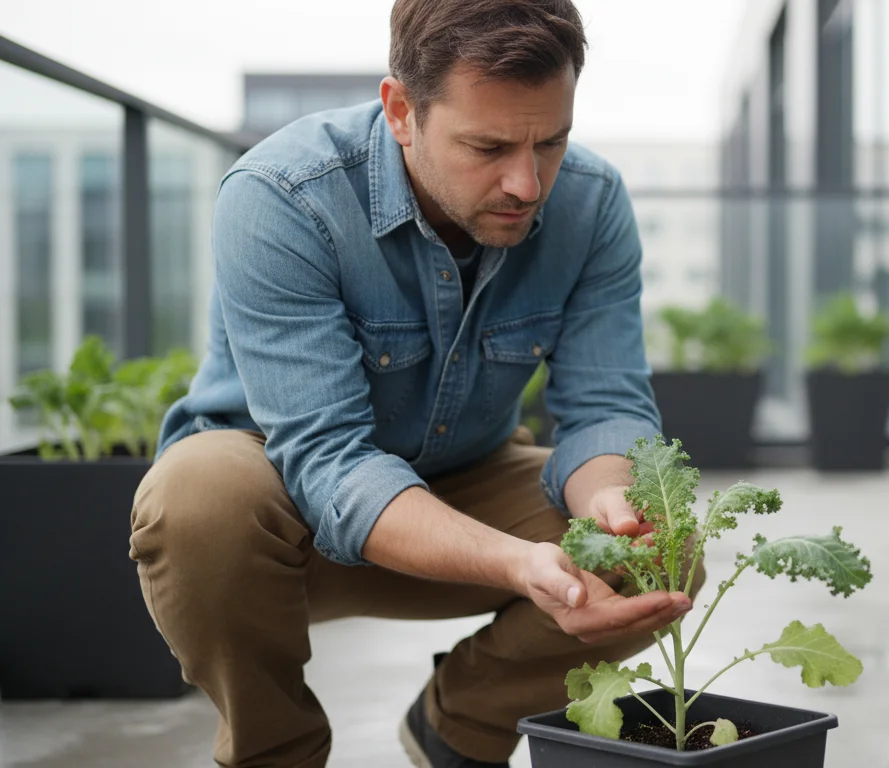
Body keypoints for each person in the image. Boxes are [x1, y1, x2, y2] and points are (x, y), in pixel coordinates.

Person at [128, 1, 702, 766]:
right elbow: (329, 461)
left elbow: (605, 407)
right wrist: (514, 562)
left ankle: (463, 726)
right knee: (195, 499)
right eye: (488, 145)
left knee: (666, 545)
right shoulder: (282, 195)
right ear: (401, 111)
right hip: (281, 521)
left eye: (551, 141)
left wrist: (612, 500)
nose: (528, 184)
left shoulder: (592, 203)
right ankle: (275, 751)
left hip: (466, 482)